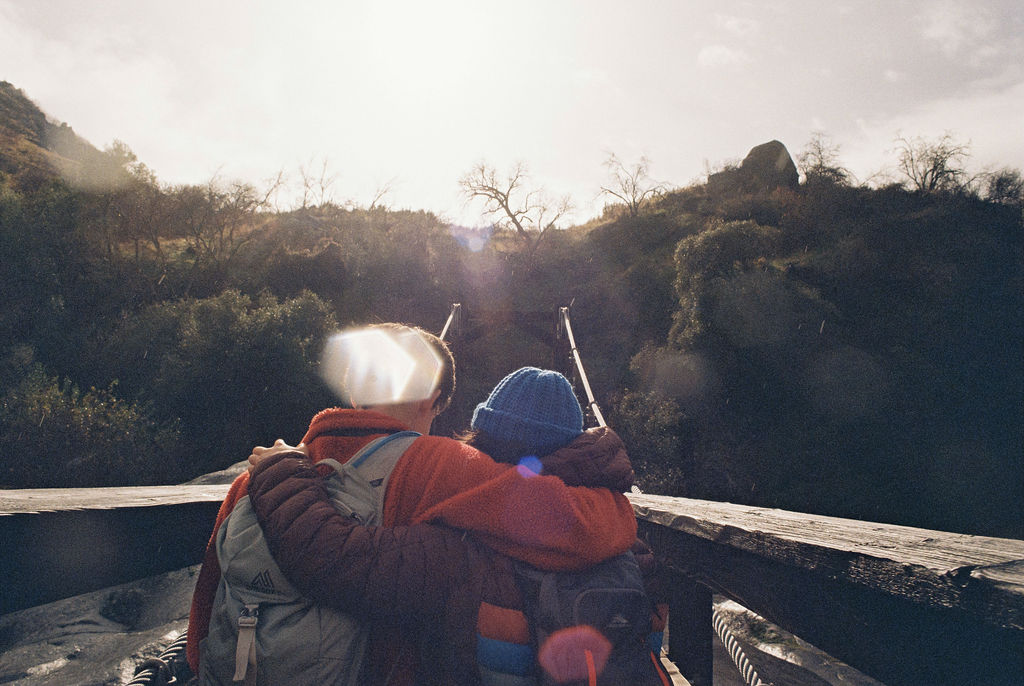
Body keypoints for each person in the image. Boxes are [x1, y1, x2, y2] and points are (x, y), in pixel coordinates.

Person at [186, 325, 639, 683]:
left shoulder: (256, 476)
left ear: (353, 390)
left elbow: (199, 633)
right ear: (435, 399)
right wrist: (620, 507)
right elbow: (584, 527)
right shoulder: (436, 466)